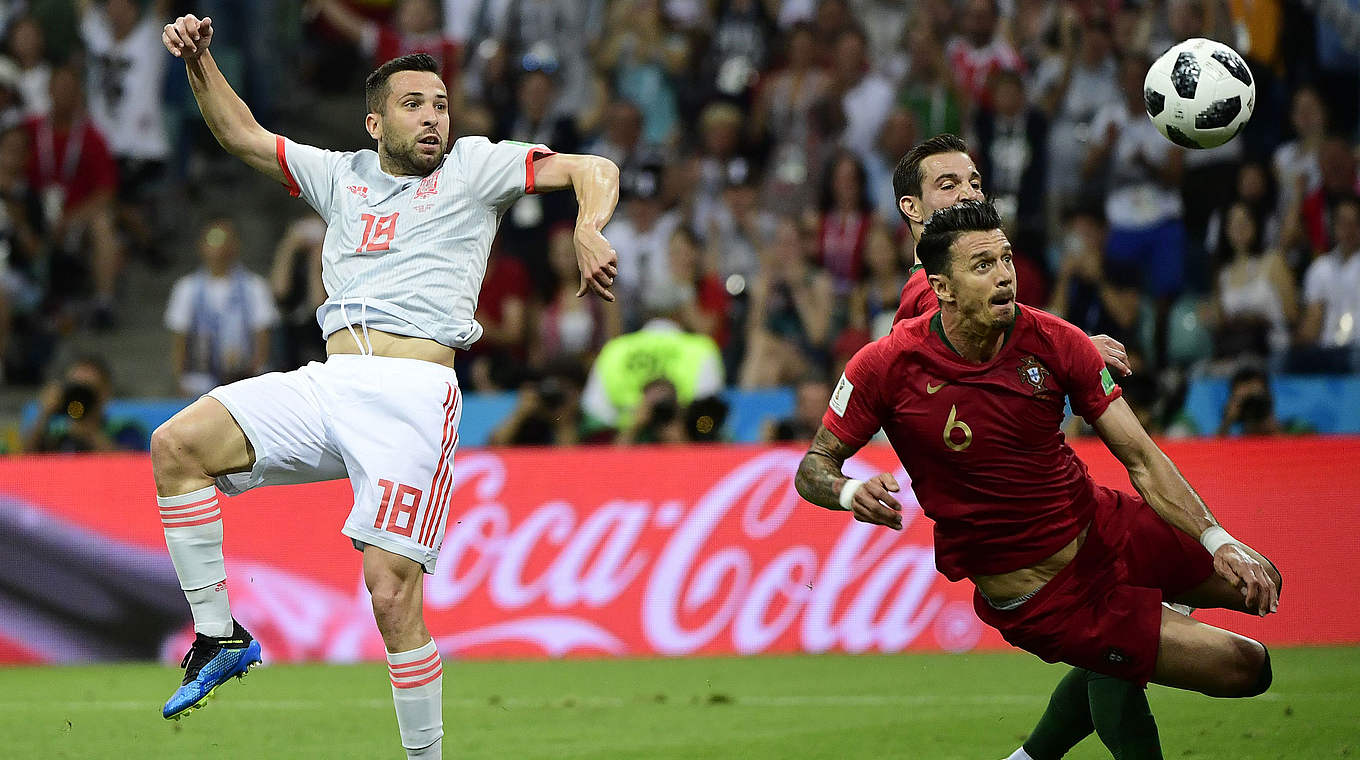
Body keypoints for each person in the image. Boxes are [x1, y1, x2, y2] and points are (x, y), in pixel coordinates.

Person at [155, 18, 619, 760]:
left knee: (390, 593)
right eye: (413, 104)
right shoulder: (340, 176)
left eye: (439, 103)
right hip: (331, 381)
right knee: (176, 445)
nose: (433, 115)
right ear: (376, 122)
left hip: (412, 395)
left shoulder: (474, 167)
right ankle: (219, 634)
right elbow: (241, 134)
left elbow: (593, 167)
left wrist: (589, 226)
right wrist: (201, 59)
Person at [796, 200, 1280, 760]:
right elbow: (813, 467)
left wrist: (1217, 539)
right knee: (1247, 667)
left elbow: (1142, 457)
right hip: (1045, 595)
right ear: (943, 288)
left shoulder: (1055, 340)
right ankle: (1122, 648)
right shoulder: (885, 366)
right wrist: (852, 490)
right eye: (983, 266)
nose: (1004, 275)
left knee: (1262, 580)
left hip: (1104, 526)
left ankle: (1037, 749)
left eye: (1007, 259)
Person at [888, 133, 1130, 378]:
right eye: (949, 186)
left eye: (974, 184)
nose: (970, 195)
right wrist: (1073, 345)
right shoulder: (924, 293)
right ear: (912, 207)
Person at [164, 218, 280, 397]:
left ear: (236, 245)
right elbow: (180, 340)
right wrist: (180, 381)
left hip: (245, 379)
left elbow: (263, 338)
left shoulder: (255, 286)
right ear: (201, 245)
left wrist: (256, 376)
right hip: (200, 380)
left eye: (227, 239)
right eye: (214, 239)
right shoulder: (186, 288)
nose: (221, 246)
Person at [23, 354, 148, 452]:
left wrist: (89, 434)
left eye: (88, 390)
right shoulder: (56, 433)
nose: (80, 398)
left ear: (106, 392)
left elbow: (131, 467)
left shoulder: (125, 430)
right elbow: (27, 466)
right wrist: (44, 414)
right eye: (75, 390)